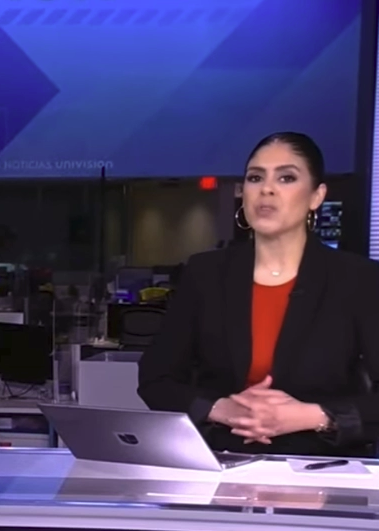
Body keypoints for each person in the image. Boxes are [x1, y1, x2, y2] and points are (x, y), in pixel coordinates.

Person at [138, 132, 379, 457]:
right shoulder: (205, 273)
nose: (267, 189)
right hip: (221, 459)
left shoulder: (358, 279)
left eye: (286, 177)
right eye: (255, 177)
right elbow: (156, 379)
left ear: (316, 196)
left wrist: (312, 416)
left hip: (320, 464)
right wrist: (221, 409)